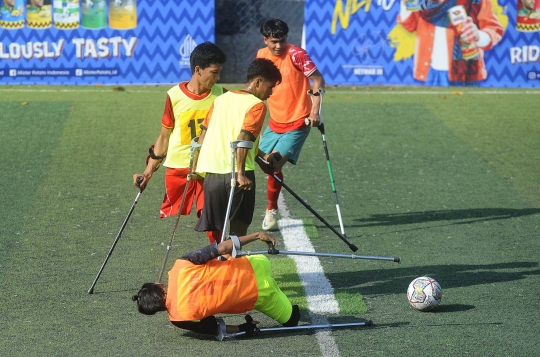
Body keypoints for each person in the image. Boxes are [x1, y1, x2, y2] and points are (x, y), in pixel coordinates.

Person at [133, 42, 227, 244]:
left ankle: (219, 258)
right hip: (179, 166)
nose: (218, 78)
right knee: (185, 214)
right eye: (214, 72)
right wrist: (148, 172)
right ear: (198, 70)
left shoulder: (222, 95)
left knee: (210, 214)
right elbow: (164, 137)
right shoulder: (174, 95)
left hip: (208, 166)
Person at [133, 231, 300, 338]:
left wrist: (244, 328)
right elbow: (223, 247)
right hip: (257, 264)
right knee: (226, 258)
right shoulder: (180, 265)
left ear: (157, 309)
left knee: (292, 320)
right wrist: (257, 235)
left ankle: (292, 308)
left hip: (261, 296)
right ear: (159, 285)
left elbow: (217, 328)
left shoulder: (178, 317)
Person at [191, 58, 282, 239]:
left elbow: (203, 136)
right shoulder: (256, 105)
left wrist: (193, 167)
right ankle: (232, 266)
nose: (271, 92)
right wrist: (240, 174)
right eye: (270, 87)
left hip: (212, 175)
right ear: (258, 82)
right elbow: (242, 139)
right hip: (239, 176)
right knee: (236, 236)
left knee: (216, 237)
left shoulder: (220, 100)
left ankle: (218, 266)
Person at [256, 18, 326, 231]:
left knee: (273, 163)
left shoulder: (297, 54)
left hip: (298, 121)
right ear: (265, 39)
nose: (278, 46)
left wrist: (315, 111)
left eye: (282, 40)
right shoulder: (261, 55)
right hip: (274, 121)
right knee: (257, 159)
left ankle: (271, 209)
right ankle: (271, 201)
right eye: (274, 41)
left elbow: (318, 80)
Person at [397, 0, 504, 85]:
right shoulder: (423, 3)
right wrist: (404, 4)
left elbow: (493, 29)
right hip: (431, 71)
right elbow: (410, 25)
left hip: (464, 73)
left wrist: (478, 36)